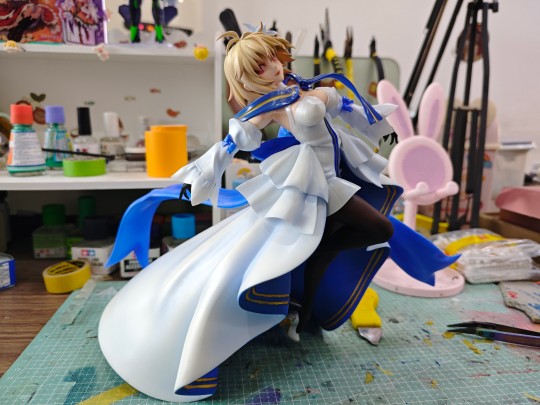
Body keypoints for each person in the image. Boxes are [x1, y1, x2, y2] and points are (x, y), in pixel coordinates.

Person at [98, 24, 458, 403]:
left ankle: (307, 302)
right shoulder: (271, 107)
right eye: (260, 67)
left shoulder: (306, 88)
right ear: (247, 80)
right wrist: (202, 174)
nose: (272, 67)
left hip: (334, 178)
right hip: (317, 186)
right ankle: (305, 289)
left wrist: (382, 131)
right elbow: (233, 141)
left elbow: (350, 111)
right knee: (380, 228)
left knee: (341, 244)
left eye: (271, 58)